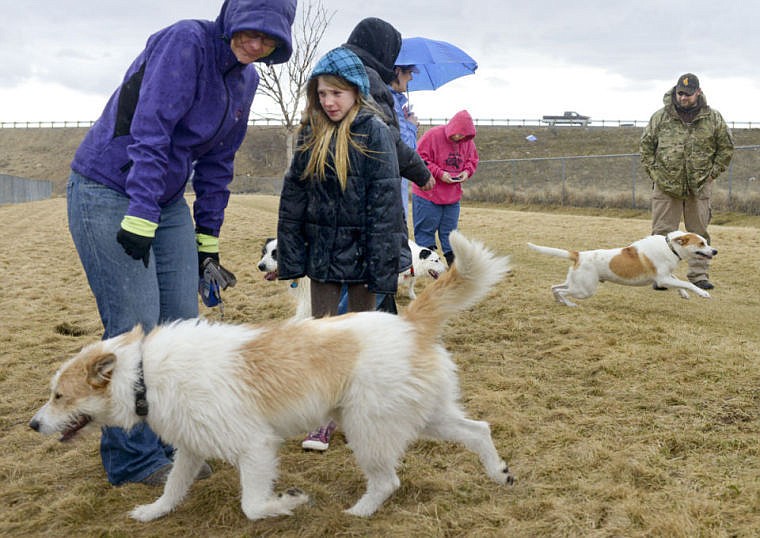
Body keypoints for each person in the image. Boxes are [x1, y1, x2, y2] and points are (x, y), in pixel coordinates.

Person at [66, 0, 295, 486]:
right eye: (251, 31)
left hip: (166, 200)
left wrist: (208, 238)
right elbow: (151, 132)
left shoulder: (246, 79)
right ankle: (133, 460)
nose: (256, 45)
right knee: (135, 327)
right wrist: (141, 213)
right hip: (110, 188)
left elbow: (218, 162)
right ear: (232, 16)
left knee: (178, 330)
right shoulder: (185, 41)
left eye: (269, 40)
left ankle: (178, 439)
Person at [276, 46, 405, 452]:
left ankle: (367, 415)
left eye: (337, 93)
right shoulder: (310, 133)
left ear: (356, 92)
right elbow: (293, 199)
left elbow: (387, 205)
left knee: (361, 346)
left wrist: (383, 266)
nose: (329, 102)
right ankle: (325, 419)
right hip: (325, 262)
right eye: (322, 94)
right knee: (323, 342)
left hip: (366, 260)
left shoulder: (375, 131)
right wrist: (294, 257)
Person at [343, 17, 435, 315]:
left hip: (347, 191)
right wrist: (421, 172)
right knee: (374, 278)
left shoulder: (340, 74)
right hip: (372, 193)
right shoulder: (370, 82)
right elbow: (388, 142)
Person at [640, 73, 734, 290]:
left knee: (699, 232)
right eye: (680, 93)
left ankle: (699, 276)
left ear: (698, 93)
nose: (683, 98)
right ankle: (660, 276)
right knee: (662, 233)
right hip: (665, 186)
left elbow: (726, 148)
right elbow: (646, 147)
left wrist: (712, 173)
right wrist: (655, 174)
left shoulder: (713, 118)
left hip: (699, 186)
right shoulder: (660, 117)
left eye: (688, 94)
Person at [412, 109, 479, 266]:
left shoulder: (468, 142)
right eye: (458, 134)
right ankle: (428, 269)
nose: (460, 138)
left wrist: (466, 172)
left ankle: (453, 269)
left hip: (452, 196)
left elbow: (472, 160)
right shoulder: (433, 135)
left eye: (464, 136)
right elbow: (419, 157)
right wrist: (440, 174)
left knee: (451, 235)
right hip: (427, 194)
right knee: (425, 232)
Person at [390, 64, 421, 220]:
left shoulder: (392, 101)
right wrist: (411, 125)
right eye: (409, 72)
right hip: (394, 182)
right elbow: (405, 150)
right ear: (397, 71)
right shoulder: (391, 103)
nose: (411, 77)